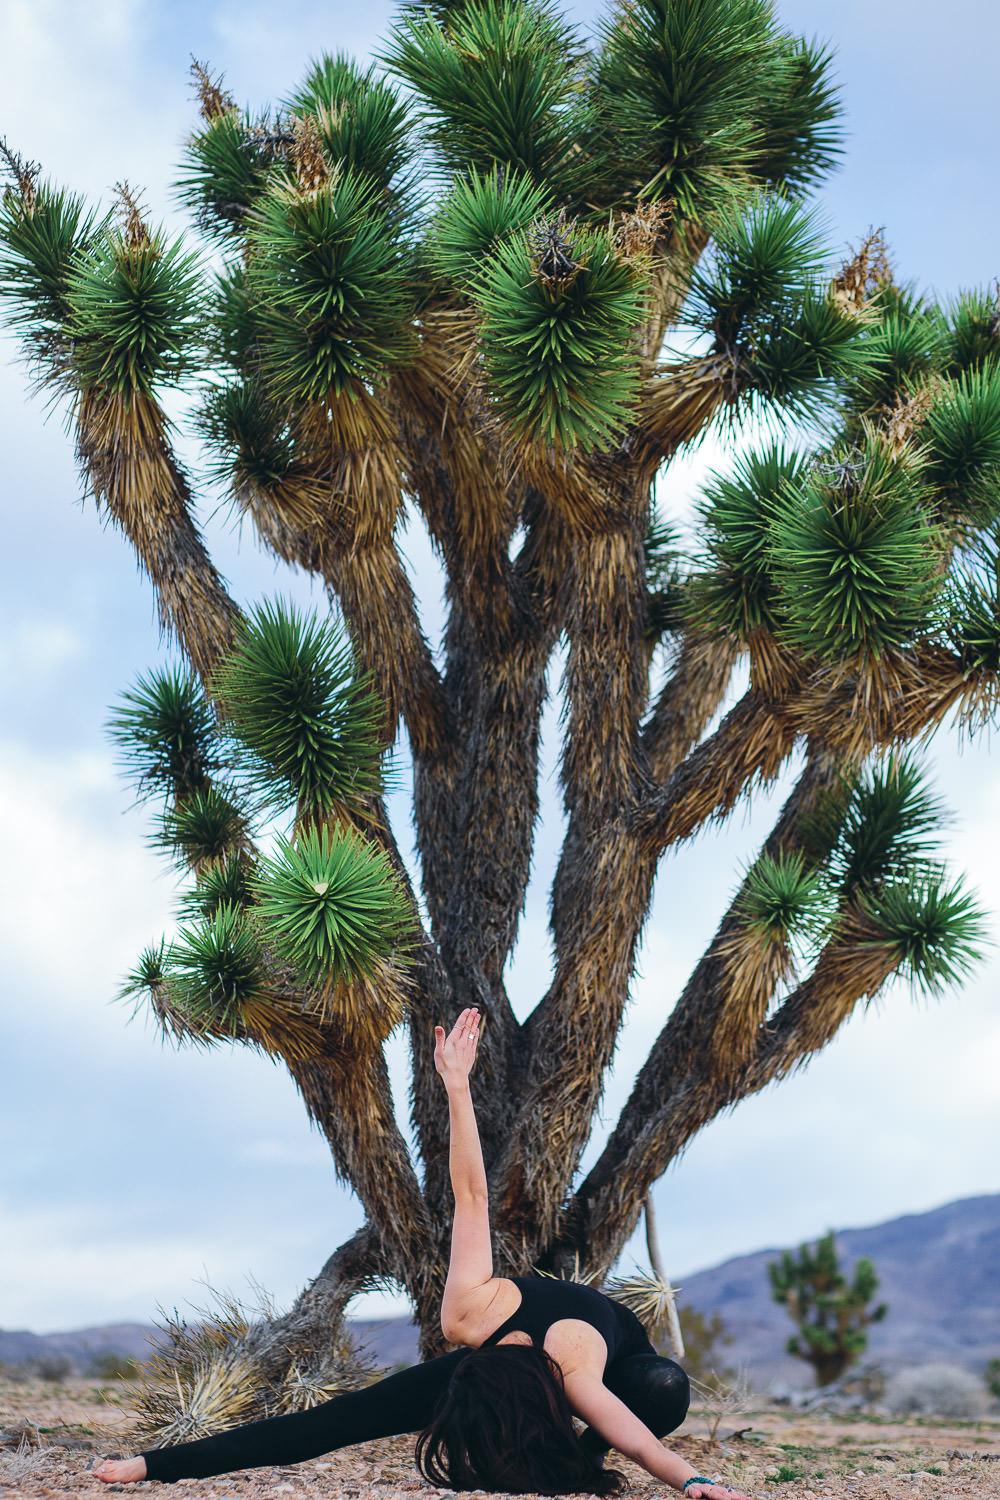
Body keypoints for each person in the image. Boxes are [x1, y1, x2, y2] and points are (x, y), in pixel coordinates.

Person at [96, 1008, 749, 1497]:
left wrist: (693, 1483)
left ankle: (575, 1459)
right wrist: (151, 1466)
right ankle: (526, 1456)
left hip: (620, 1372)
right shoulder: (471, 1317)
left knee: (661, 1388)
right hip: (507, 1380)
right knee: (347, 1419)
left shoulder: (579, 1378)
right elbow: (471, 1195)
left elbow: (641, 1442)